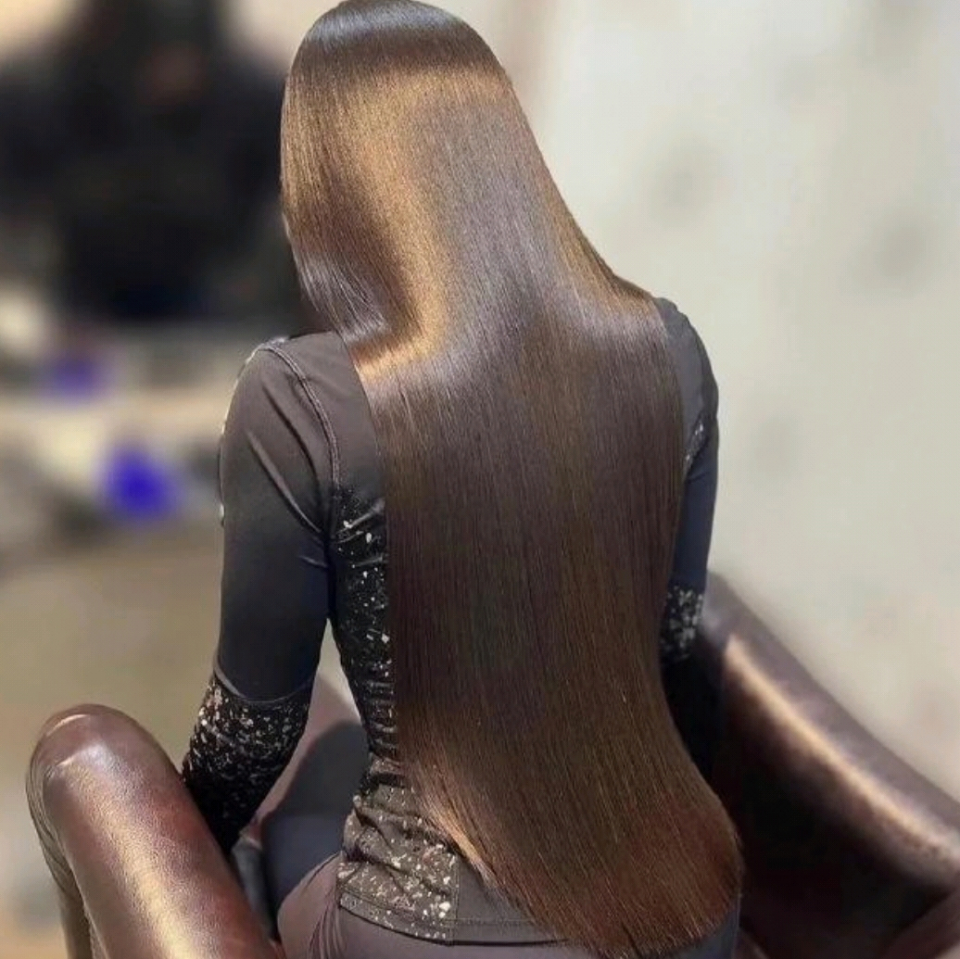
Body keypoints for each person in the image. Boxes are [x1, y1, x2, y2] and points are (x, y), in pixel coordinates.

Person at [182, 2, 743, 957]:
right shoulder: (668, 347)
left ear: (324, 181)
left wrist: (180, 841)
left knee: (297, 769)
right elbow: (671, 637)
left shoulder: (299, 399)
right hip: (688, 908)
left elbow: (251, 729)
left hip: (421, 936)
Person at [0, 0, 295, 323]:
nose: (170, 76)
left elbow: (284, 224)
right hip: (69, 302)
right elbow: (17, 230)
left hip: (215, 301)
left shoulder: (258, 102)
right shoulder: (32, 97)